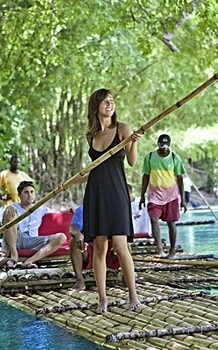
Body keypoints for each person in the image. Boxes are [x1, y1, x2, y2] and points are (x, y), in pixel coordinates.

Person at [82, 88, 142, 313]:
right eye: (105, 101)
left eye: (112, 101)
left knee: (120, 245)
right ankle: (102, 298)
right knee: (99, 247)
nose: (110, 104)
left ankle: (133, 294)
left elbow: (132, 162)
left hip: (117, 193)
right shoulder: (92, 135)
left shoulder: (123, 129)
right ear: (96, 106)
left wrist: (133, 141)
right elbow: (94, 170)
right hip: (96, 193)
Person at [139, 134, 187, 258]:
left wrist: (183, 200)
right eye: (162, 145)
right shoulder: (150, 157)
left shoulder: (175, 158)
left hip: (171, 196)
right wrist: (142, 195)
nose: (164, 148)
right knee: (154, 219)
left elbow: (180, 178)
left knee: (171, 223)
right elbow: (145, 176)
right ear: (158, 145)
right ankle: (159, 249)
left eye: (166, 145)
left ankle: (172, 251)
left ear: (169, 145)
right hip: (154, 195)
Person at [1, 181, 66, 269]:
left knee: (61, 237)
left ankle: (29, 262)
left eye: (32, 192)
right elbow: (8, 212)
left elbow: (57, 213)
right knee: (10, 216)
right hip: (16, 239)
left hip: (32, 240)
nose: (29, 195)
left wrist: (70, 210)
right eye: (26, 192)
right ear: (19, 195)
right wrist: (9, 209)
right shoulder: (14, 208)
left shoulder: (40, 209)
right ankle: (14, 254)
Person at [69, 205, 119, 291]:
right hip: (88, 247)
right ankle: (80, 281)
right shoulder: (82, 209)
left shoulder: (114, 207)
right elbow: (73, 228)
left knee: (124, 244)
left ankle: (127, 279)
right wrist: (77, 234)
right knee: (74, 241)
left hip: (109, 247)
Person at [0, 156, 33, 222]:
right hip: (9, 204)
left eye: (18, 162)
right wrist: (1, 196)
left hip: (22, 205)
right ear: (10, 162)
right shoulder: (4, 174)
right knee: (0, 223)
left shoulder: (23, 175)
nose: (16, 164)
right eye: (14, 162)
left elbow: (31, 186)